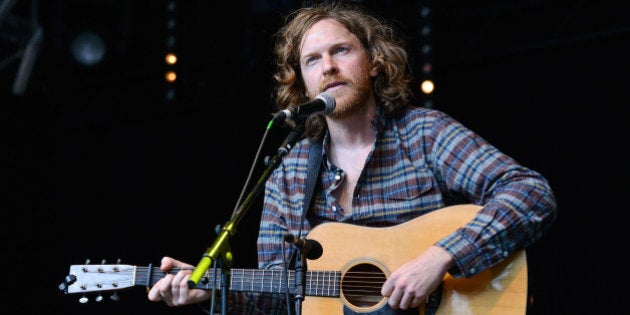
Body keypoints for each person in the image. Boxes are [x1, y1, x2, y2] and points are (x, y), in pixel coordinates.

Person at [148, 1, 557, 314]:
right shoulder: (288, 173)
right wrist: (212, 290)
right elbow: (280, 294)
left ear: (374, 62)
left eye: (341, 50)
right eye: (312, 60)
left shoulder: (424, 134)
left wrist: (439, 257)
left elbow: (530, 193)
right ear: (303, 83)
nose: (328, 66)